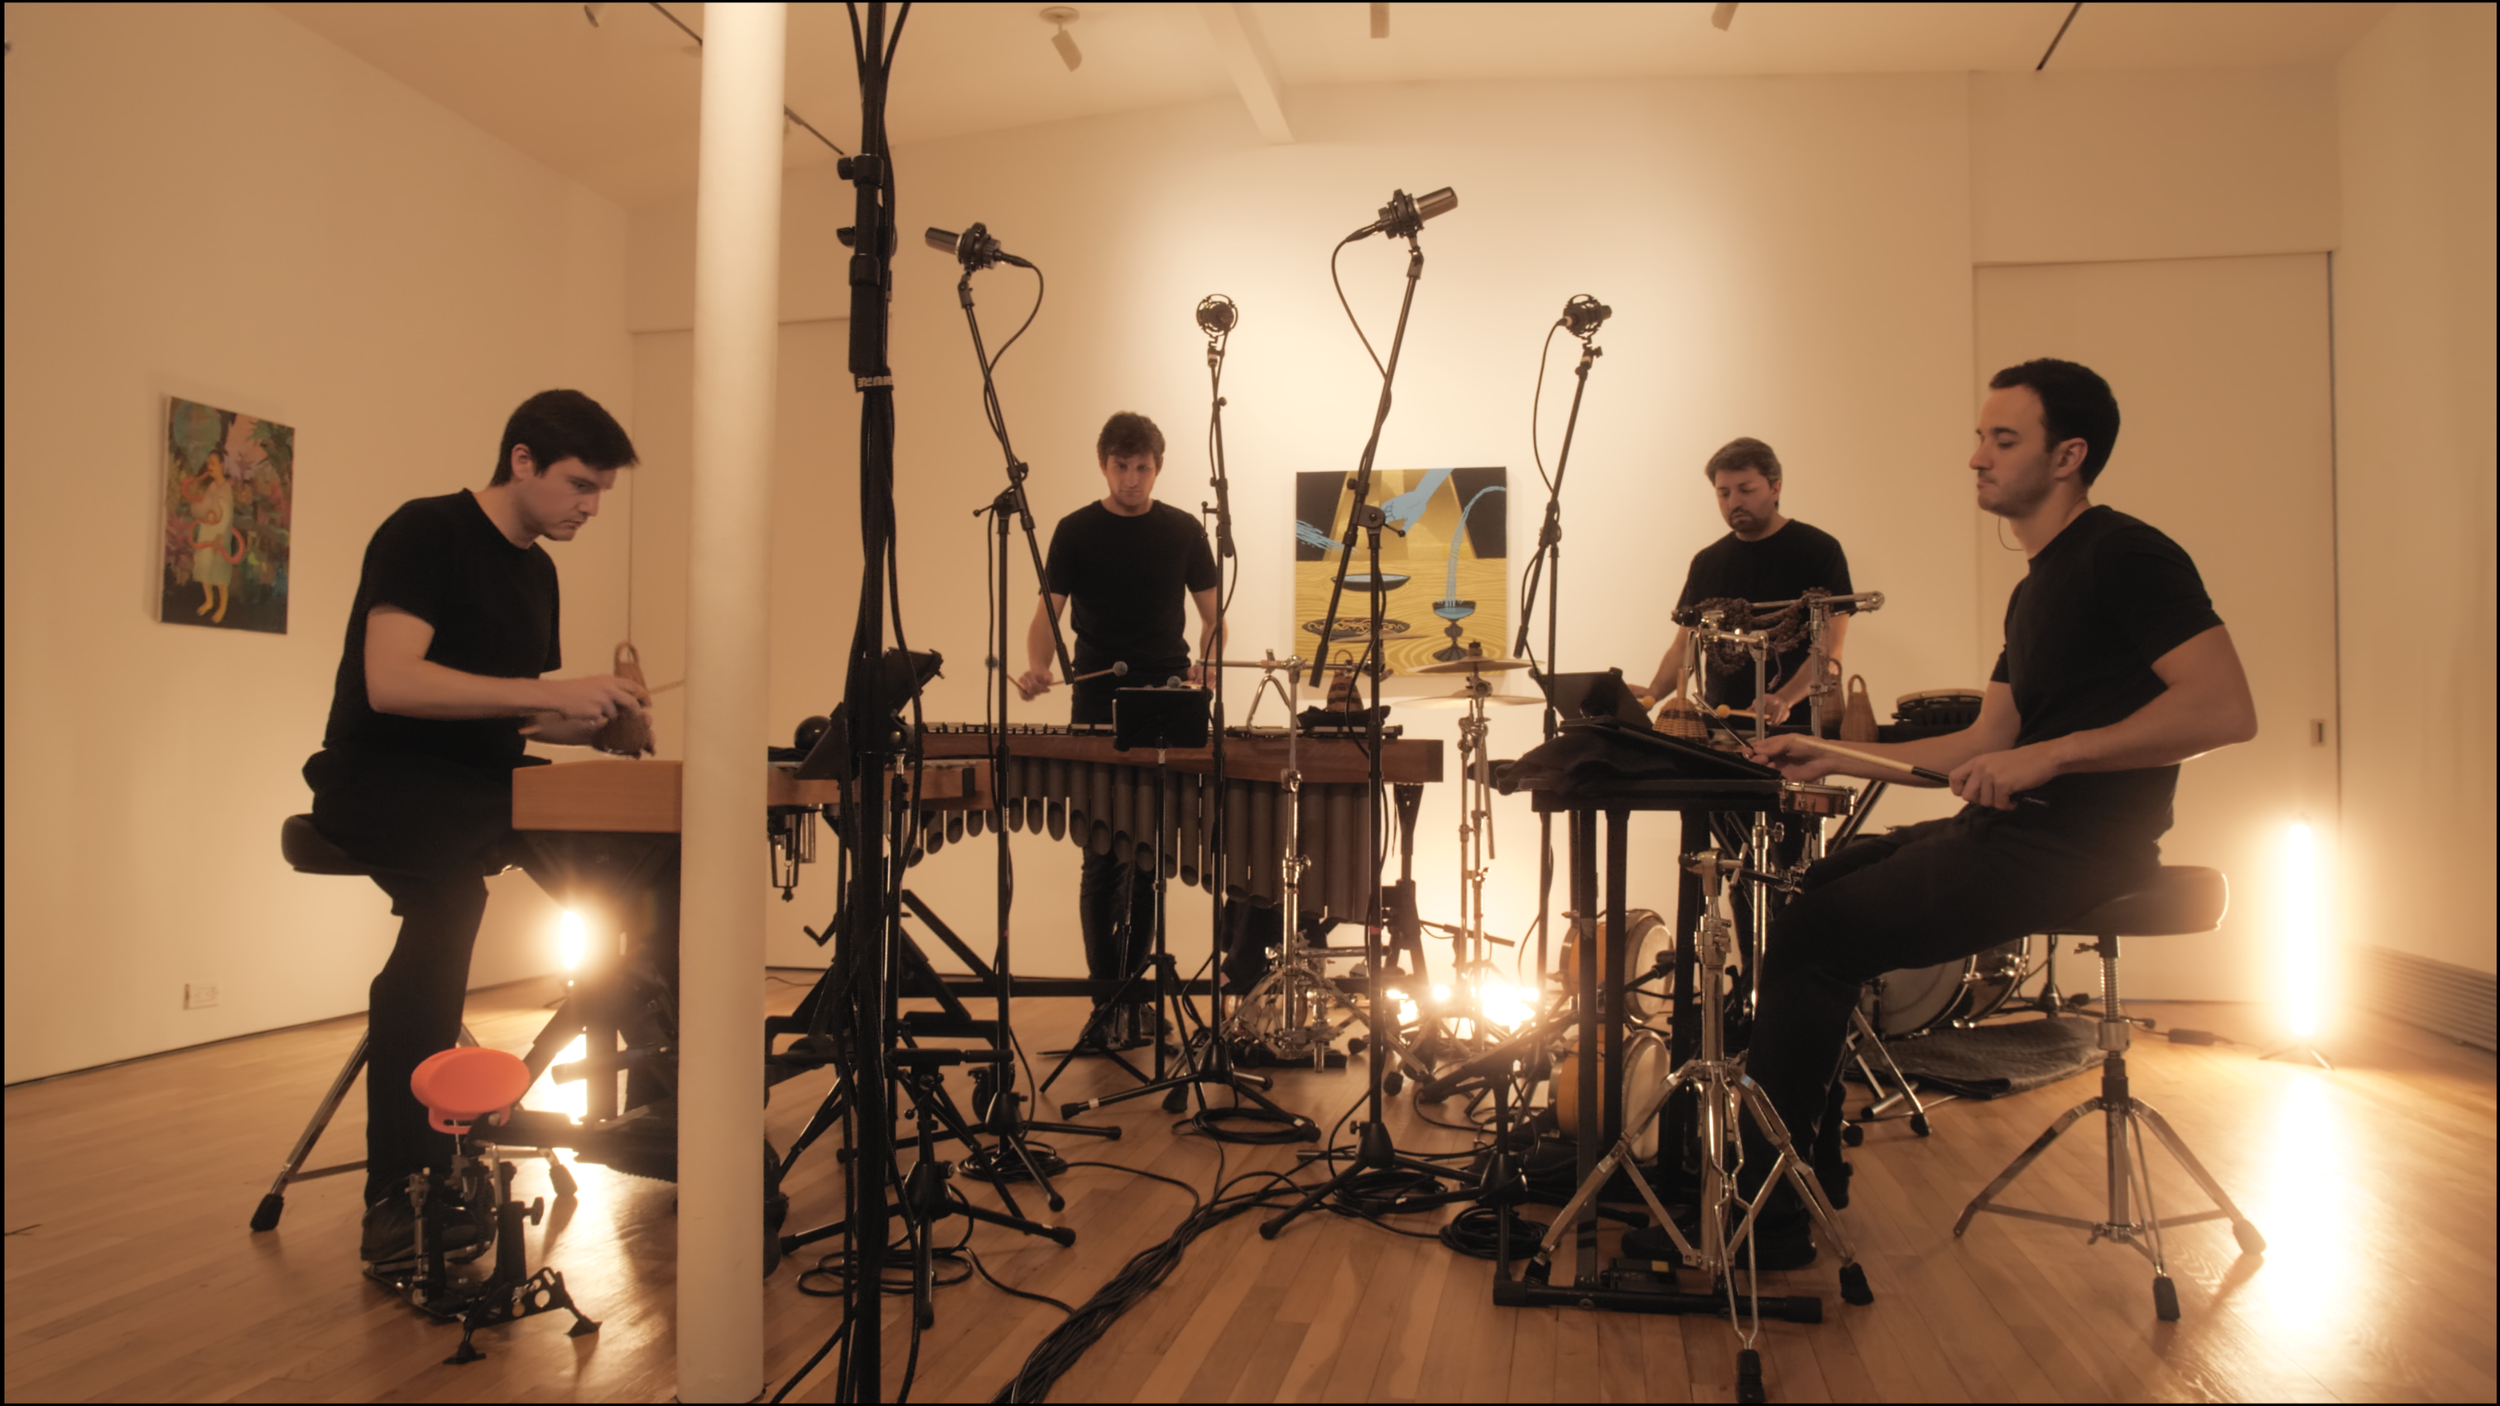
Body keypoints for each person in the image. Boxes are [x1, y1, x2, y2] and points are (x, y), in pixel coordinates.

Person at [1730, 359, 2257, 1268]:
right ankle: (1809, 1170)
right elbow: (1985, 738)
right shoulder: (2034, 585)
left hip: (2081, 846)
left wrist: (2052, 755)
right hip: (2016, 831)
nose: (1977, 457)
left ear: (2069, 455)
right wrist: (1842, 757)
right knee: (1819, 884)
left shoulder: (2127, 554)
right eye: (1980, 437)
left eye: (2002, 439)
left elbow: (2223, 709)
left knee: (1816, 933)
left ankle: (1769, 1217)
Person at [301, 389, 649, 1268]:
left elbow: (510, 721)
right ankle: (399, 1192)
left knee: (637, 862)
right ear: (522, 460)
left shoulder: (539, 571)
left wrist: (595, 724)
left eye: (602, 491)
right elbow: (394, 683)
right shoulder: (426, 532)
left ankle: (646, 1098)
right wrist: (549, 692)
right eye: (579, 485)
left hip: (482, 778)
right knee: (449, 905)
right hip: (380, 778)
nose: (590, 507)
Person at [1018, 411, 1221, 1050]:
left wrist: (1207, 663)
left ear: (1157, 467)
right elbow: (1047, 614)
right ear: (1103, 464)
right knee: (1102, 857)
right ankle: (1106, 1002)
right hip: (1097, 701)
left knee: (1150, 860)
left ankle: (1138, 998)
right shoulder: (1075, 530)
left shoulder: (1185, 530)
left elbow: (1213, 615)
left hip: (1166, 699)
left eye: (1142, 467)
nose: (1131, 479)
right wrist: (1038, 668)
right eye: (1120, 466)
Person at [1642, 437, 1856, 725]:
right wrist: (1651, 695)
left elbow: (1830, 652)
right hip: (1719, 728)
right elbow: (1684, 647)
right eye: (1723, 493)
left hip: (1795, 728)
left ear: (1775, 486)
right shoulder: (1706, 562)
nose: (1734, 502)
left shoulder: (1819, 550)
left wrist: (1784, 699)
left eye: (1745, 489)